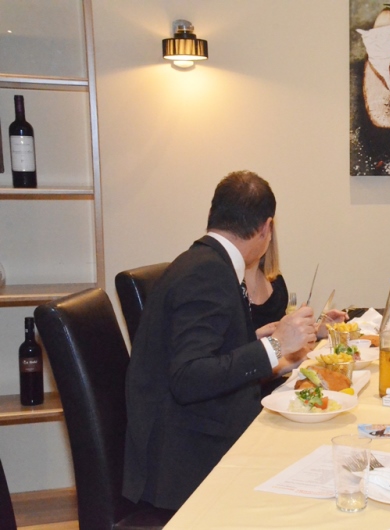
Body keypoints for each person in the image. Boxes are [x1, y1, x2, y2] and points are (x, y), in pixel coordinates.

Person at [123, 170, 318, 511]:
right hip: (184, 462)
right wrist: (275, 346)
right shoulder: (208, 272)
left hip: (189, 437)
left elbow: (199, 350)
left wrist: (254, 340)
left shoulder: (204, 261)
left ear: (214, 213)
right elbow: (188, 377)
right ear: (266, 228)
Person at [244, 225, 346, 395]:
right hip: (253, 396)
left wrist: (317, 330)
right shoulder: (229, 288)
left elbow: (283, 337)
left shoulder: (275, 281)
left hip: (282, 387)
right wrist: (287, 363)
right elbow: (236, 369)